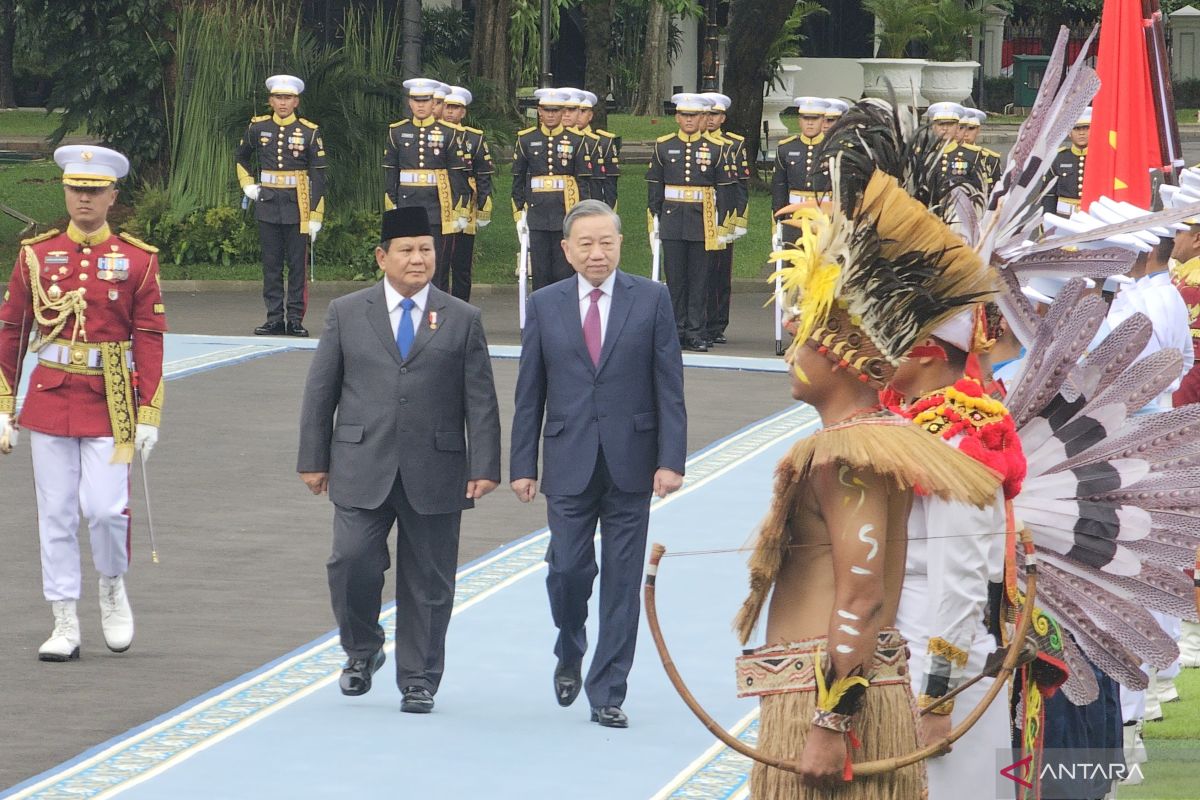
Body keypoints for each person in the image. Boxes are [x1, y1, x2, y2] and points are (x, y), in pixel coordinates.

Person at [734, 100, 1000, 799]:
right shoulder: (864, 442)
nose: (791, 354)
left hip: (831, 700)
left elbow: (858, 590)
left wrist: (828, 719)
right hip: (848, 688)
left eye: (802, 342)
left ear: (842, 358)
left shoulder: (849, 454)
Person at [297, 206, 501, 714]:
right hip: (360, 461)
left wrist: (485, 465)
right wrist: (312, 457)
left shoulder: (462, 317)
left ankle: (420, 679)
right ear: (382, 257)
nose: (418, 259)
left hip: (436, 467)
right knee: (350, 561)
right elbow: (321, 390)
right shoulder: (347, 312)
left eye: (426, 250)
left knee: (429, 581)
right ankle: (362, 651)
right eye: (407, 250)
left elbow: (481, 398)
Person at [509, 199, 687, 729]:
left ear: (620, 244)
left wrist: (670, 460)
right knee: (567, 569)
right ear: (566, 250)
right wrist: (523, 463)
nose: (596, 253)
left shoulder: (651, 299)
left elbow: (668, 385)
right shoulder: (544, 305)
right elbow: (529, 393)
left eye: (605, 242)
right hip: (567, 459)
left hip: (633, 461)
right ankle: (570, 643)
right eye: (585, 243)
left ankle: (608, 689)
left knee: (622, 579)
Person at [0, 145, 166, 661]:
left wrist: (148, 411)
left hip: (112, 397)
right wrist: (3, 405)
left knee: (104, 509)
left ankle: (112, 584)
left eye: (95, 191)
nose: (85, 199)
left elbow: (150, 336)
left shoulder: (138, 260)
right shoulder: (35, 254)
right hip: (51, 396)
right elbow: (11, 329)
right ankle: (64, 619)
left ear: (113, 196)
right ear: (65, 193)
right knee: (55, 514)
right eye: (77, 190)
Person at [887, 310, 1025, 798]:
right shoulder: (922, 426)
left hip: (940, 664)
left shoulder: (959, 441)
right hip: (910, 651)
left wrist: (938, 700)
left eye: (893, 340)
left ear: (926, 353)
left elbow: (961, 581)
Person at [235, 74, 326, 337]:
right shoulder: (257, 127)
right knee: (271, 264)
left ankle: (295, 318)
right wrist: (248, 185)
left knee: (297, 265)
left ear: (296, 101)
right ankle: (274, 317)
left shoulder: (309, 131)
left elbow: (319, 175)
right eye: (278, 98)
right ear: (270, 100)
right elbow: (241, 157)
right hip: (268, 201)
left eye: (287, 98)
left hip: (298, 203)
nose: (283, 103)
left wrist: (316, 214)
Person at [647, 92, 734, 352]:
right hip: (673, 218)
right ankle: (675, 329)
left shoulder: (717, 149)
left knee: (699, 279)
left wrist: (722, 226)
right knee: (675, 279)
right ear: (677, 117)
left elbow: (726, 190)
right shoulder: (663, 146)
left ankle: (696, 331)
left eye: (694, 115)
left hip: (703, 219)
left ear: (703, 118)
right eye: (684, 115)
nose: (688, 120)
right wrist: (654, 218)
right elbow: (655, 186)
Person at [383, 78, 472, 297]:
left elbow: (457, 174)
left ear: (434, 103)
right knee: (405, 261)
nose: (421, 105)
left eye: (426, 100)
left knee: (437, 265)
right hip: (407, 205)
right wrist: (391, 202)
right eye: (416, 100)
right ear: (410, 103)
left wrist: (460, 208)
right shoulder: (397, 132)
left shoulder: (448, 133)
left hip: (437, 207)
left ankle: (436, 310)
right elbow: (390, 171)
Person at [512, 88, 595, 290]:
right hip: (537, 213)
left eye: (556, 110)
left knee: (564, 271)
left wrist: (583, 214)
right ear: (539, 111)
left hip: (565, 212)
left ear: (561, 112)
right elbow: (518, 180)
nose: (551, 114)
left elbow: (583, 181)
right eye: (547, 110)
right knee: (540, 272)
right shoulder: (526, 140)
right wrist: (519, 212)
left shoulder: (576, 141)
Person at [702, 91, 749, 347]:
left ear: (723, 117)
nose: (710, 119)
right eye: (707, 113)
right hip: (698, 216)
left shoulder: (734, 144)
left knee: (720, 272)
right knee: (700, 272)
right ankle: (697, 321)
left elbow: (741, 185)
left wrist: (737, 220)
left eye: (715, 114)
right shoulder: (694, 143)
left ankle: (717, 324)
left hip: (723, 216)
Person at [440, 86, 494, 302]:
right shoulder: (433, 134)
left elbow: (483, 175)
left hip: (465, 204)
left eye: (456, 108)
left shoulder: (474, 138)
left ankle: (462, 307)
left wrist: (483, 207)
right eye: (447, 107)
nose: (451, 112)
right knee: (440, 262)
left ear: (463, 112)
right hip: (439, 201)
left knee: (461, 263)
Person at [772, 97, 832, 214]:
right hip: (794, 212)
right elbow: (779, 186)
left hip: (825, 213)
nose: (810, 123)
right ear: (799, 121)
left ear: (823, 121)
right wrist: (778, 216)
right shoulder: (786, 148)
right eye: (806, 118)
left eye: (815, 119)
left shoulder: (834, 148)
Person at [574, 90, 621, 208]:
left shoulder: (603, 142)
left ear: (590, 115)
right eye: (574, 110)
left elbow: (610, 185)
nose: (578, 115)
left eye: (583, 111)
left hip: (595, 202)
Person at [926, 103, 984, 191]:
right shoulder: (926, 156)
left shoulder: (972, 156)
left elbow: (978, 190)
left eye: (950, 124)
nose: (945, 128)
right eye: (940, 124)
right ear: (933, 128)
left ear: (957, 128)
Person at [1043, 108, 1090, 215]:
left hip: (1092, 217)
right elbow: (1049, 194)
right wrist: (1047, 220)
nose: (1081, 133)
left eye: (1086, 128)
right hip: (1063, 217)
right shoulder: (1057, 158)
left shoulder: (1101, 159)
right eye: (1076, 129)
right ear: (1069, 133)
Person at [959, 109, 1002, 190]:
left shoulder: (990, 159)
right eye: (961, 128)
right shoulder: (944, 155)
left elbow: (997, 191)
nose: (966, 133)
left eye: (971, 128)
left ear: (978, 130)